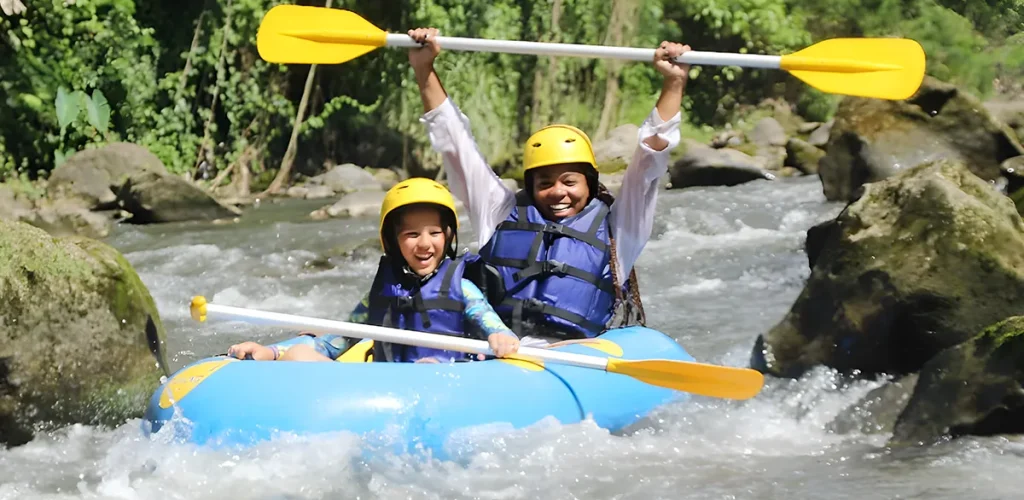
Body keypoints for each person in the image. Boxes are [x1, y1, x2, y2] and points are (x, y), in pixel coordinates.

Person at [407, 27, 691, 346]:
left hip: (572, 353)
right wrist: (424, 68)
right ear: (530, 186)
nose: (558, 192)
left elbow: (648, 161)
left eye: (569, 181)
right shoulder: (500, 212)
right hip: (496, 350)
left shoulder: (619, 230)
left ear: (590, 183)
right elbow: (456, 145)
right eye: (544, 183)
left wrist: (674, 82)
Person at [227, 178, 521, 363]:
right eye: (411, 235)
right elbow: (337, 341)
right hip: (386, 389)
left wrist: (501, 338)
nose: (425, 244)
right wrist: (273, 353)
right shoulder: (381, 295)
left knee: (429, 368)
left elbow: (493, 327)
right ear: (392, 242)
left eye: (434, 233)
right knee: (300, 356)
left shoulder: (463, 290)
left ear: (448, 236)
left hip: (445, 382)